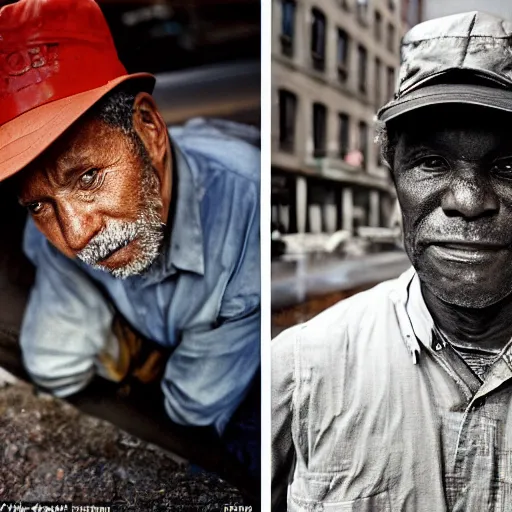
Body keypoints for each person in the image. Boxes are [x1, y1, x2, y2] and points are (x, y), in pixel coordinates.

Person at [0, 0, 260, 480]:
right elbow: (55, 364)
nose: (76, 235)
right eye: (38, 204)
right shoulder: (58, 233)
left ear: (149, 127)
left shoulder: (249, 218)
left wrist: (129, 352)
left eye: (88, 177)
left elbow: (193, 406)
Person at [272, 10, 512, 511]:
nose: (469, 201)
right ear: (393, 174)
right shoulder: (301, 367)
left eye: (508, 166)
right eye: (431, 162)